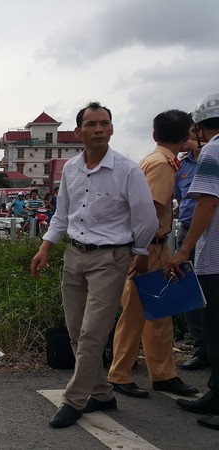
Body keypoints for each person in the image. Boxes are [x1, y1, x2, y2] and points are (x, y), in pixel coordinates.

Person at [30, 102, 157, 429]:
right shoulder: (71, 169)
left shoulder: (128, 170)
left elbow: (146, 218)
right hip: (74, 255)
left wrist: (139, 253)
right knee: (75, 330)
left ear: (112, 129)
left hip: (110, 258)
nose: (98, 129)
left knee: (91, 334)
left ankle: (74, 399)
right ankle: (101, 392)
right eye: (91, 124)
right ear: (79, 132)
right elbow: (62, 214)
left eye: (104, 124)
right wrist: (46, 246)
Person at [107, 110, 199, 399]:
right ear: (186, 137)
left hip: (152, 246)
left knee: (159, 315)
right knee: (136, 314)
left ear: (154, 135)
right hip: (150, 246)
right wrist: (142, 252)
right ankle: (120, 374)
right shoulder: (161, 165)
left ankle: (163, 374)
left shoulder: (154, 160)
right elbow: (152, 211)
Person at [164, 93, 219, 430]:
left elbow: (207, 202)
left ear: (198, 127)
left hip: (215, 256)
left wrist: (184, 250)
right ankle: (215, 393)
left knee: (216, 329)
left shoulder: (213, 151)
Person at [176, 127, 209, 370]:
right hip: (186, 230)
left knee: (211, 289)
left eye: (190, 134)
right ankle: (200, 348)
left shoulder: (212, 157)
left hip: (210, 232)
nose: (185, 139)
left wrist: (201, 150)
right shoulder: (183, 166)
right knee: (188, 291)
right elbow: (179, 197)